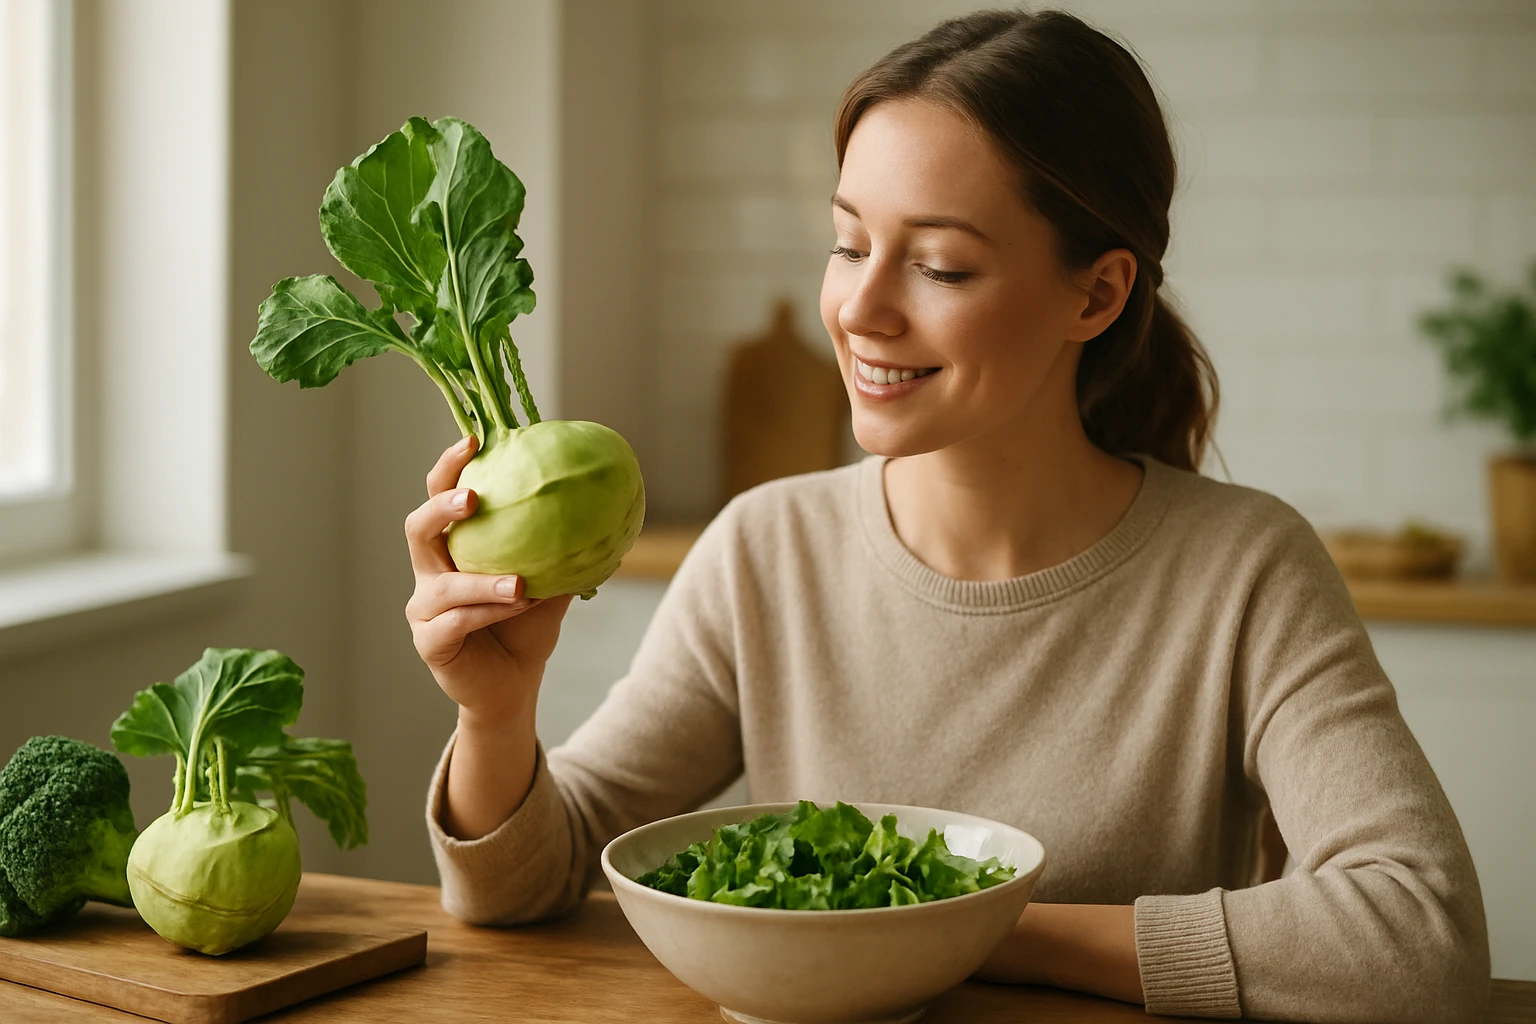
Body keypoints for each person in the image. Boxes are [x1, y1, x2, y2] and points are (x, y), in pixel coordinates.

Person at [403, 9, 1488, 1021]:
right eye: (847, 242)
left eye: (938, 264)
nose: (863, 310)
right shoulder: (767, 550)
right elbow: (526, 885)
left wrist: (974, 931)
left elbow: (1419, 936)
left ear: (1097, 296)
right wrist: (497, 716)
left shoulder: (1245, 569)